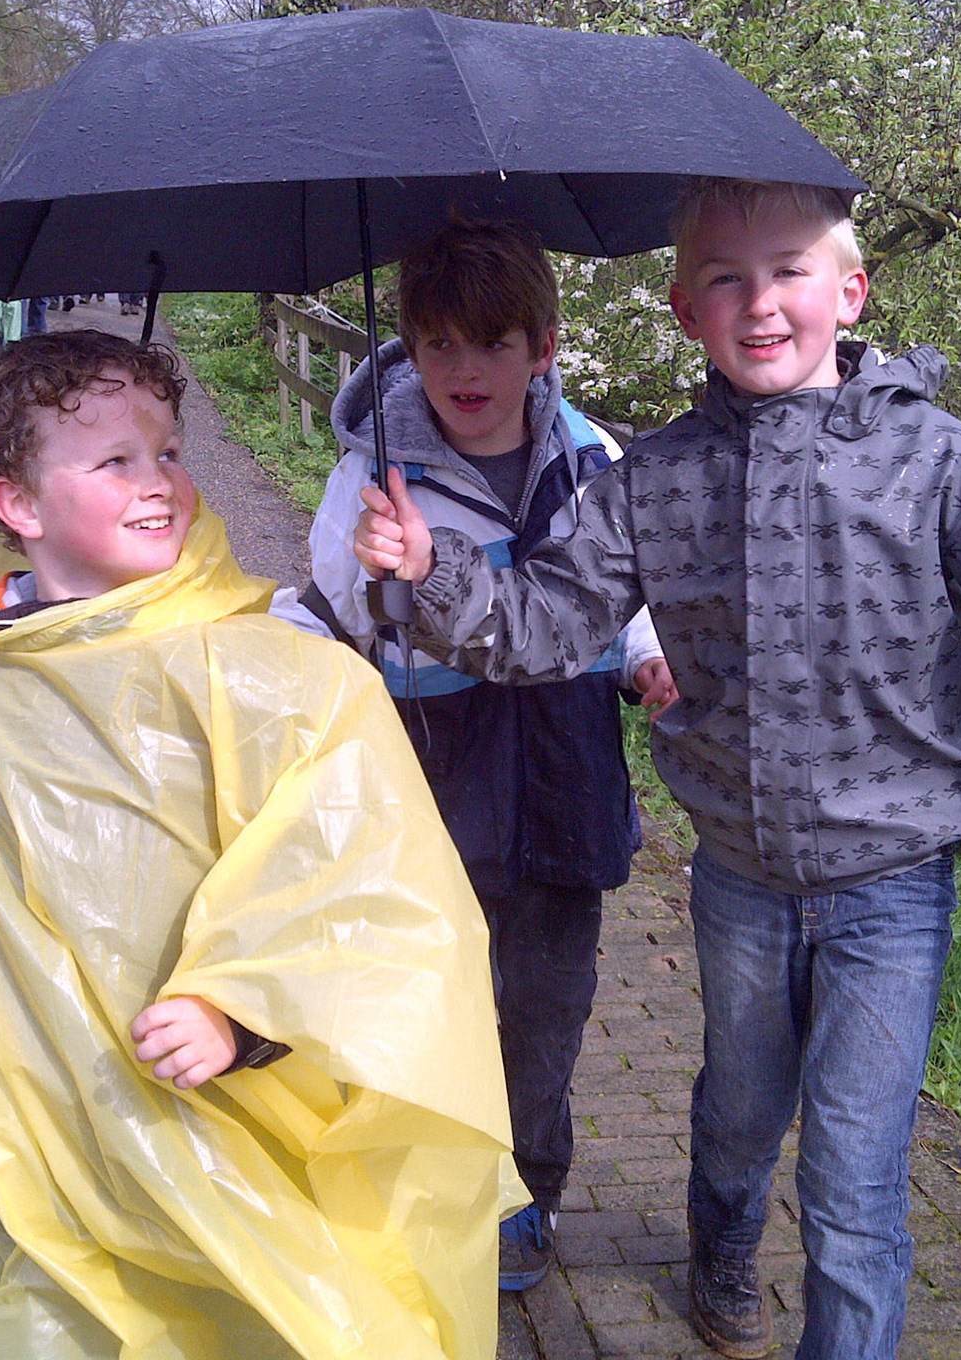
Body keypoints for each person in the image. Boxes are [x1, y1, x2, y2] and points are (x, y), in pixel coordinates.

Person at [354, 177, 961, 1360]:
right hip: (737, 879)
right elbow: (543, 624)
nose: (761, 302)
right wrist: (433, 572)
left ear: (849, 290)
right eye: (726, 279)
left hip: (894, 884)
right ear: (685, 309)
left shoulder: (936, 462)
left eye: (787, 270)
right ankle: (722, 1250)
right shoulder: (654, 477)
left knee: (853, 1176)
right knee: (739, 1119)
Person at [0, 329, 520, 1359]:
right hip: (44, 1135)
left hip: (230, 1131)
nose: (159, 480)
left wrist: (238, 1006)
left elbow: (365, 891)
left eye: (168, 450)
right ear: (18, 505)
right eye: (114, 460)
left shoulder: (285, 675)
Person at [307, 214, 674, 1291]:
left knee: (548, 1004)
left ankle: (529, 1193)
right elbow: (340, 612)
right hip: (440, 780)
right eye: (440, 344)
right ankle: (434, 1182)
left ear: (543, 346)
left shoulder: (594, 457)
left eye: (495, 344)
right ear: (411, 348)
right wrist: (388, 580)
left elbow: (629, 586)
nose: (468, 371)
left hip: (569, 781)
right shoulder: (373, 473)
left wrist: (647, 655)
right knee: (436, 996)